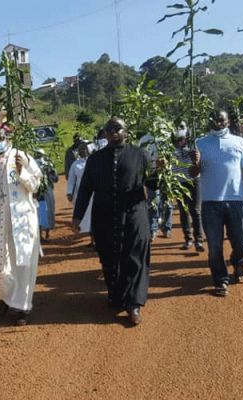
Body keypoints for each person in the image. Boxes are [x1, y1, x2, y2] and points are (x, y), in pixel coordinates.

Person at [72, 117, 151, 326]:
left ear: (127, 131)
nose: (114, 132)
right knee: (108, 256)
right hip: (104, 214)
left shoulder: (140, 155)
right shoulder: (95, 159)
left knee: (135, 256)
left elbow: (153, 183)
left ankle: (134, 303)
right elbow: (86, 188)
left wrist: (160, 170)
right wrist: (77, 216)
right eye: (109, 129)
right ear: (104, 134)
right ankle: (115, 294)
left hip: (134, 213)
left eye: (118, 128)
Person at [189, 110, 243, 297]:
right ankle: (220, 280)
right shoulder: (200, 143)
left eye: (221, 119)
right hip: (210, 202)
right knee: (215, 246)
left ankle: (238, 263)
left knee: (241, 241)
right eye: (214, 118)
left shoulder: (239, 142)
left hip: (236, 200)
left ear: (228, 121)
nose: (218, 122)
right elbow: (193, 174)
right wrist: (195, 163)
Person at [0, 124, 42, 326]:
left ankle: (22, 306)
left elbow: (35, 186)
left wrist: (22, 172)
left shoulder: (21, 156)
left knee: (22, 263)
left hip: (19, 217)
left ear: (8, 137)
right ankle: (6, 296)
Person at [173, 127, 204, 252]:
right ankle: (188, 239)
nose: (179, 142)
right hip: (179, 182)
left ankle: (199, 240)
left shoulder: (193, 148)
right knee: (183, 211)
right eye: (176, 140)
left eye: (181, 139)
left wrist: (196, 159)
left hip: (193, 181)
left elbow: (198, 165)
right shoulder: (171, 151)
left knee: (195, 210)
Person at [139, 133, 172, 239]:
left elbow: (172, 154)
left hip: (165, 173)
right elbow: (142, 157)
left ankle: (166, 227)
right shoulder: (144, 139)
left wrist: (165, 163)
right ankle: (153, 229)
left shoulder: (165, 136)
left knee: (167, 202)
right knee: (152, 203)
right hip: (151, 174)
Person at [67, 141, 94, 244]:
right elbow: (71, 180)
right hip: (82, 195)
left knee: (95, 216)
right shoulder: (75, 164)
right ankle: (92, 239)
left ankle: (95, 240)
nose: (83, 151)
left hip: (94, 195)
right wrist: (69, 192)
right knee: (85, 218)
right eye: (81, 149)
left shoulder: (93, 161)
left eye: (84, 148)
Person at [35, 148, 58, 241]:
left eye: (39, 154)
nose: (38, 156)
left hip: (47, 189)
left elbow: (55, 178)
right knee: (40, 211)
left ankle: (47, 232)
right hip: (38, 190)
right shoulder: (32, 164)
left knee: (49, 209)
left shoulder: (48, 164)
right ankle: (40, 234)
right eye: (37, 154)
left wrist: (49, 174)